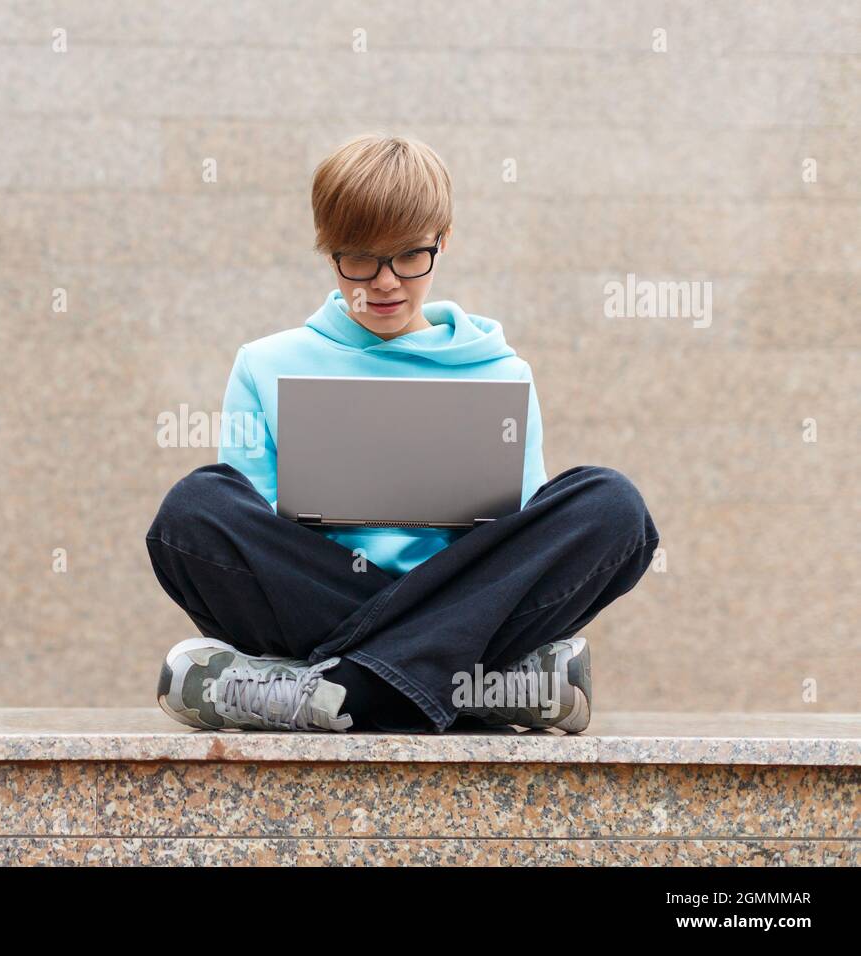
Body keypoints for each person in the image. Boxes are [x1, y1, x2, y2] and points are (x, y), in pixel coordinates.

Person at [145, 133, 660, 734]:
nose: (385, 282)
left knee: (612, 506)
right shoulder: (265, 363)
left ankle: (328, 692)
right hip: (331, 597)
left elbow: (514, 547)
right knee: (195, 508)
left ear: (443, 241)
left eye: (409, 256)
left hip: (459, 599)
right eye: (359, 257)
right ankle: (474, 688)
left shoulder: (500, 371)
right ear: (326, 249)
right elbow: (253, 534)